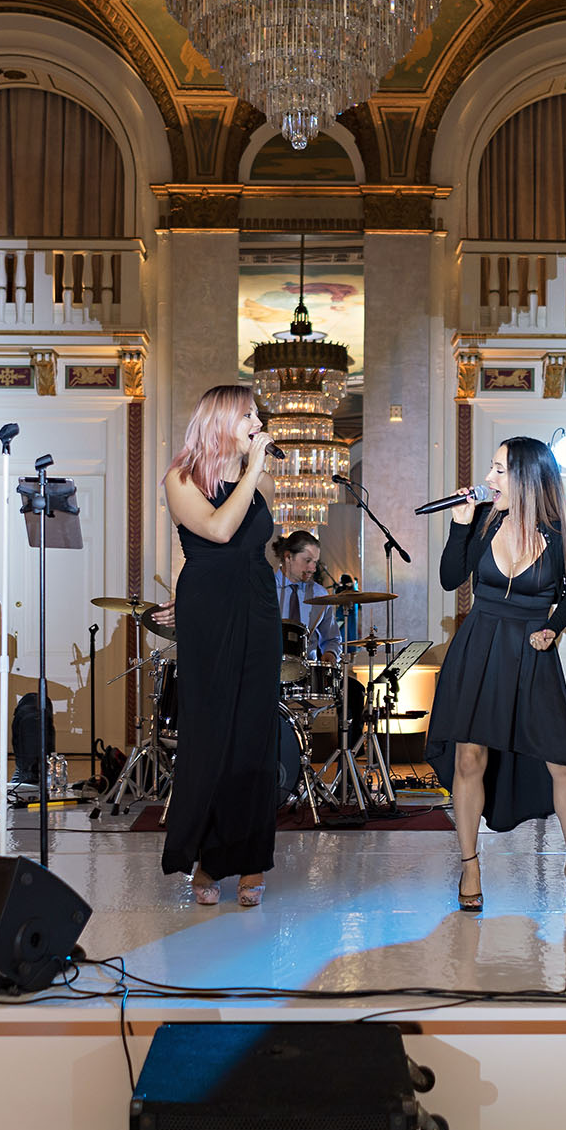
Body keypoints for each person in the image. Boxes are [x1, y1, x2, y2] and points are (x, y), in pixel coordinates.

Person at [426, 437, 566, 914]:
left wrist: (553, 626)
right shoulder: (482, 523)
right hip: (478, 646)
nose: (488, 480)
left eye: (499, 470)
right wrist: (459, 528)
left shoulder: (564, 534)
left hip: (530, 651)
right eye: (491, 468)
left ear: (526, 477)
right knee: (468, 759)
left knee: (562, 762)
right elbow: (448, 579)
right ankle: (470, 864)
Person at [160, 384, 280, 907]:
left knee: (254, 738)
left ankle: (251, 862)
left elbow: (253, 547)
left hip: (257, 604)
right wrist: (254, 469)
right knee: (211, 736)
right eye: (247, 414)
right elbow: (216, 530)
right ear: (219, 421)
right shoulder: (180, 478)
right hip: (210, 609)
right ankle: (207, 860)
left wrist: (253, 472)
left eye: (256, 414)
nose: (257, 421)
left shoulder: (255, 481)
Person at [269, 530, 365, 761]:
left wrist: (331, 654)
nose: (313, 568)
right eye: (307, 561)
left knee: (355, 692)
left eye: (315, 562)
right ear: (288, 557)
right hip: (269, 671)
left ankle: (346, 774)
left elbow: (332, 639)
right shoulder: (265, 588)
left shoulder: (320, 594)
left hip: (306, 674)